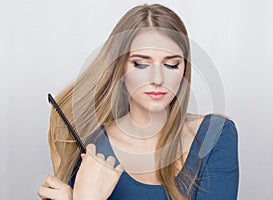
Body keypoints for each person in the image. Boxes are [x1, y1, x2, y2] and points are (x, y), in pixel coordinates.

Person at [37, 3, 239, 200]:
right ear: (120, 67)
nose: (158, 79)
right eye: (141, 64)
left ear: (184, 69)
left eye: (171, 65)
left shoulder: (215, 136)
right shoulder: (90, 149)